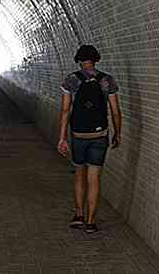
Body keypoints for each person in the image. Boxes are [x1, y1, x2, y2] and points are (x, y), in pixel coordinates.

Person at [57, 45, 122, 234]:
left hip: (78, 135)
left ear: (79, 60)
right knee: (94, 178)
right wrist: (117, 133)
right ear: (96, 59)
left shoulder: (71, 80)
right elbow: (115, 111)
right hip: (100, 135)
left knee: (80, 173)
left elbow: (65, 110)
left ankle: (79, 215)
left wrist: (62, 138)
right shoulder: (107, 80)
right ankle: (91, 222)